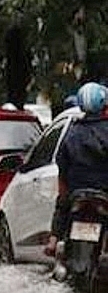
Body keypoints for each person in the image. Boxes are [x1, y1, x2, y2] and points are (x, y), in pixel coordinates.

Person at [44, 83, 108, 268]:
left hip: (76, 194)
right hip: (103, 193)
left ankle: (54, 240)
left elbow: (61, 168)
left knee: (62, 203)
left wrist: (64, 194)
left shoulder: (72, 132)